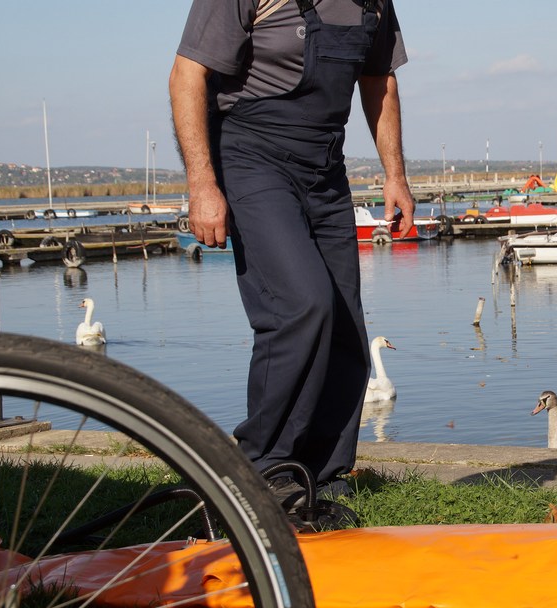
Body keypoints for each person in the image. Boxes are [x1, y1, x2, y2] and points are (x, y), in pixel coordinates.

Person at [169, 0, 414, 526]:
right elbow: (187, 75)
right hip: (251, 154)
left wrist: (395, 175)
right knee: (302, 304)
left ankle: (315, 481)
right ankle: (260, 470)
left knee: (345, 325)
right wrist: (201, 185)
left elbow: (380, 81)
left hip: (325, 165)